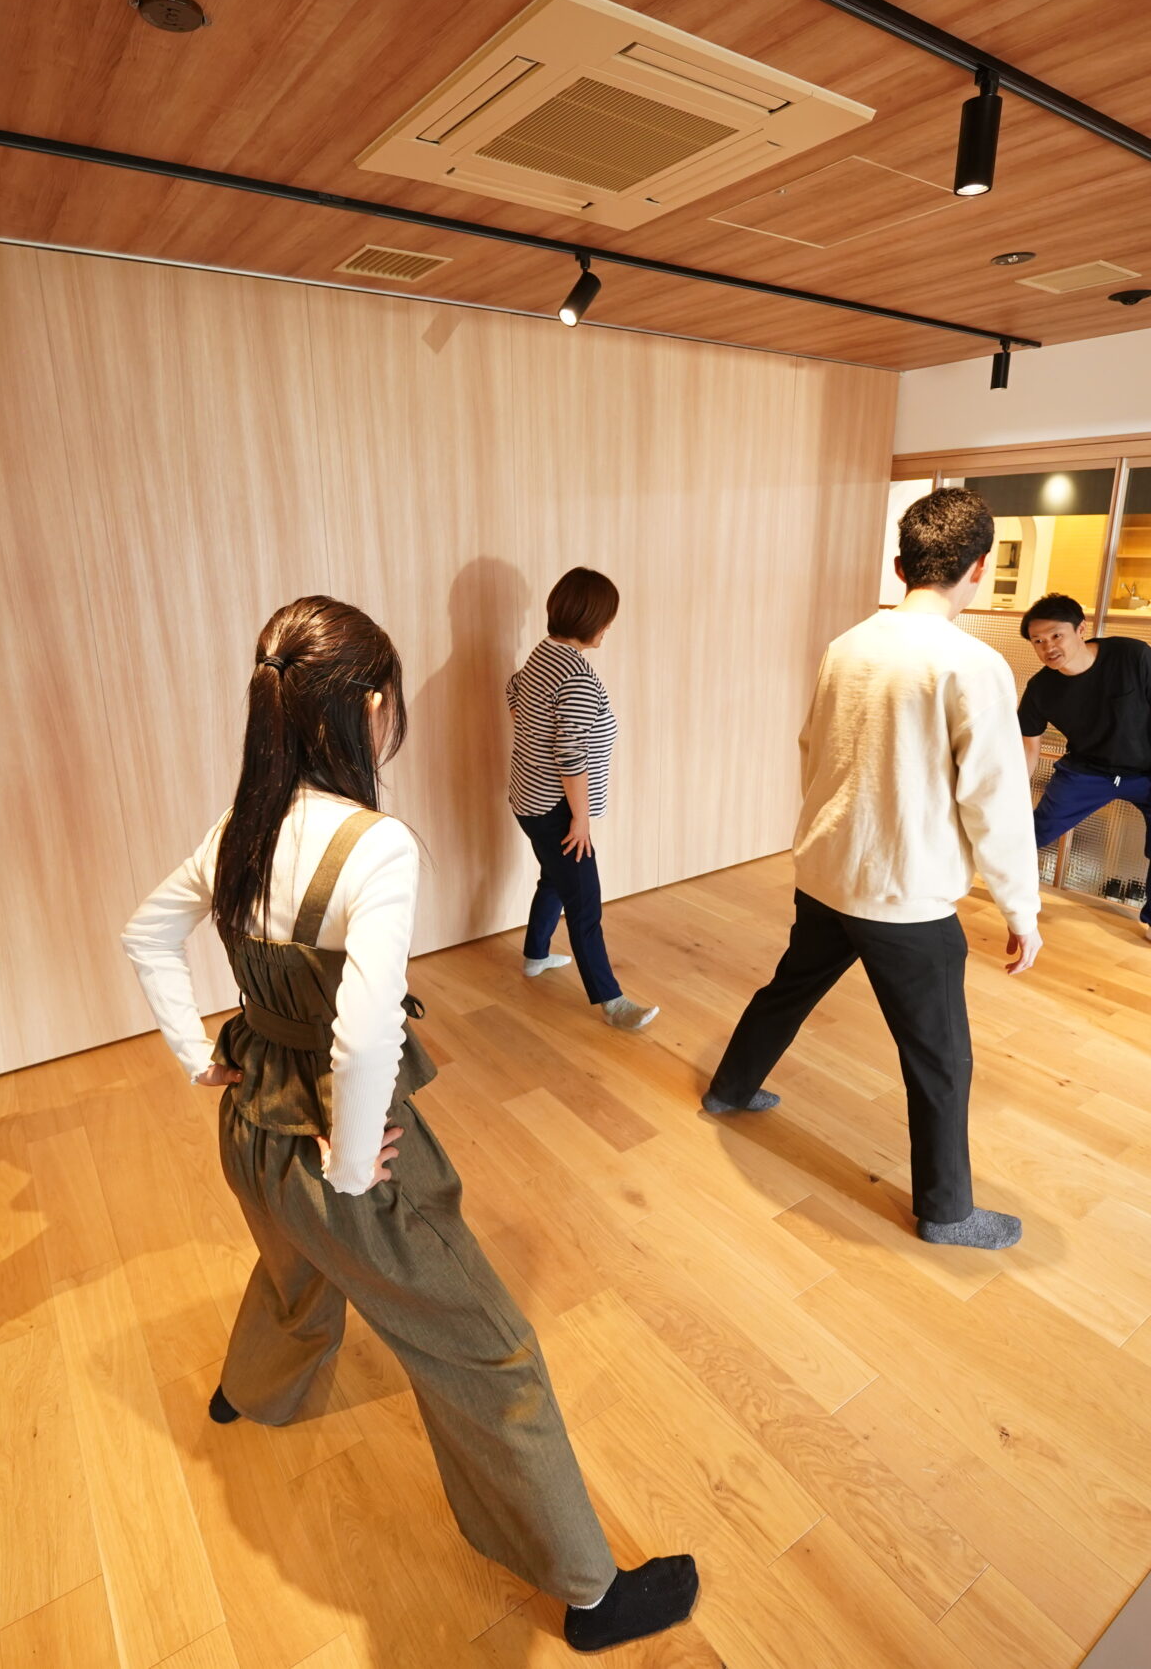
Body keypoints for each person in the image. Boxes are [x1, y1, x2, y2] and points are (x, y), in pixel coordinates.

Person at [122, 596, 698, 1653]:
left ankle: (248, 1394)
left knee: (294, 1268)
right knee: (493, 1355)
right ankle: (590, 1593)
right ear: (373, 708)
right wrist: (350, 1168)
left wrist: (200, 1056)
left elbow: (144, 936)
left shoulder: (237, 830)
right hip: (337, 1142)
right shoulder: (375, 846)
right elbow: (360, 1037)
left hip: (250, 1122)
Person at [701, 488, 1044, 1251]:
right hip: (904, 896)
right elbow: (996, 798)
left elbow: (813, 749)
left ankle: (729, 1088)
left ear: (899, 565)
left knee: (789, 989)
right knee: (941, 1057)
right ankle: (947, 1212)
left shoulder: (847, 646)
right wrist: (1022, 909)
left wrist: (829, 832)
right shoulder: (974, 664)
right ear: (979, 569)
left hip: (828, 872)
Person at [505, 567, 656, 1031]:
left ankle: (535, 955)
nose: (609, 627)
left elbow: (513, 689)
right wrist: (580, 818)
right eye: (607, 619)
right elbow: (570, 754)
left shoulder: (543, 654)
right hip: (555, 808)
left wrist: (531, 737)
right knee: (585, 902)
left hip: (526, 797)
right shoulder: (577, 677)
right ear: (591, 620)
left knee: (555, 877)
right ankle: (612, 1002)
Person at [1016, 595, 1151, 964]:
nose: (1048, 647)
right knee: (1026, 833)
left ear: (1080, 630)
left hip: (1150, 773)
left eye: (1056, 636)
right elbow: (1030, 748)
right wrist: (1014, 796)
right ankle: (1009, 895)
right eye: (1038, 641)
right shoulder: (1041, 688)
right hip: (1087, 772)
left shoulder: (1131, 655)